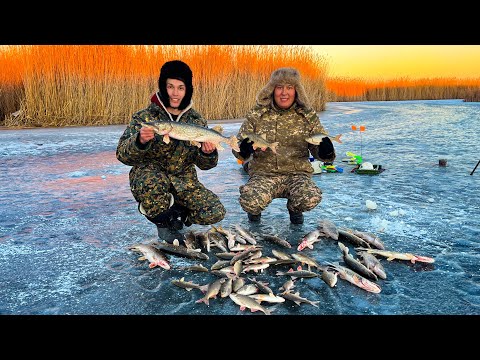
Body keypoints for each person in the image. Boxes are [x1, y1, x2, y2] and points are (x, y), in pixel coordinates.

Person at [116, 60, 226, 243]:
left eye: (181, 88)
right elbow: (122, 155)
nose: (175, 93)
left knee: (215, 212)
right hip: (151, 176)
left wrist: (208, 153)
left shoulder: (197, 120)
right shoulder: (145, 117)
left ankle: (178, 216)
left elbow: (206, 165)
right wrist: (140, 141)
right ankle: (163, 222)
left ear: (187, 90)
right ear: (163, 87)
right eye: (170, 86)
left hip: (183, 179)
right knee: (153, 188)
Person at [232, 67, 335, 224]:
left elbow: (318, 150)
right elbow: (237, 148)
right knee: (250, 202)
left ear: (296, 91)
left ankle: (295, 209)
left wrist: (326, 151)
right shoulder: (257, 114)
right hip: (264, 174)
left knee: (310, 198)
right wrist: (243, 149)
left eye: (289, 87)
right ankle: (254, 212)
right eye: (279, 87)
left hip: (297, 174)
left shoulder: (307, 115)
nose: (284, 93)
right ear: (272, 90)